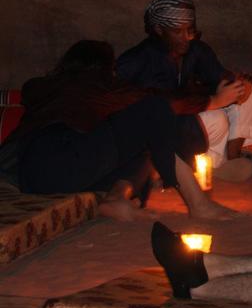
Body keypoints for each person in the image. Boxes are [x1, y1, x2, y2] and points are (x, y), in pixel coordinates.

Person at [0, 40, 235, 221]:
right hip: (66, 156)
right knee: (154, 111)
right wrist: (214, 100)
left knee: (145, 144)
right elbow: (160, 102)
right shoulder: (105, 87)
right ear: (105, 68)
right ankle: (197, 204)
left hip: (31, 176)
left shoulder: (39, 87)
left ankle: (115, 199)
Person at [117, 0, 252, 181]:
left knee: (246, 92)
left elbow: (217, 75)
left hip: (187, 118)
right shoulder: (138, 60)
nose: (186, 37)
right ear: (159, 30)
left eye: (190, 30)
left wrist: (236, 83)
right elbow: (158, 105)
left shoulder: (196, 49)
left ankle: (223, 161)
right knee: (216, 117)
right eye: (178, 32)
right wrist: (212, 102)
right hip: (154, 131)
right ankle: (173, 169)